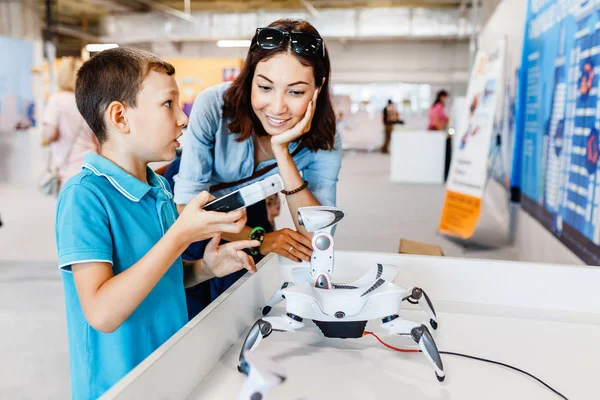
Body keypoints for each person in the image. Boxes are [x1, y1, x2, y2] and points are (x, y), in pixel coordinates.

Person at [55, 47, 260, 399]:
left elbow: (162, 277)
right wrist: (180, 236)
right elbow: (102, 312)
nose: (182, 119)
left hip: (169, 373)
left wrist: (205, 267)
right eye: (169, 104)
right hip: (118, 388)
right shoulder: (84, 197)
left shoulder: (159, 187)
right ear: (120, 117)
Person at [173, 19, 342, 314]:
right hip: (193, 215)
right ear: (249, 78)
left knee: (243, 306)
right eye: (265, 87)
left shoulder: (325, 137)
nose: (277, 107)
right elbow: (187, 208)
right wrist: (260, 238)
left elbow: (318, 235)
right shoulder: (213, 105)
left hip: (248, 210)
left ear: (318, 88)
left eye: (296, 92)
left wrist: (282, 152)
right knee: (190, 312)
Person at [42, 57, 99, 189]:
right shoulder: (88, 101)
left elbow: (51, 134)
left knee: (70, 205)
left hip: (69, 167)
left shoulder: (57, 100)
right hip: (92, 162)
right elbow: (97, 137)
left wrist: (44, 131)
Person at [428, 90, 451, 181]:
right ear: (441, 97)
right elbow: (436, 121)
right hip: (437, 130)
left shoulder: (434, 106)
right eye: (445, 97)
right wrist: (442, 131)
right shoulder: (438, 107)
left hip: (434, 130)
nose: (446, 99)